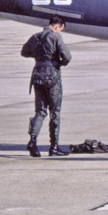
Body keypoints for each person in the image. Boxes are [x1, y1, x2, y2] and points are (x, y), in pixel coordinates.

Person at [21, 15, 72, 157]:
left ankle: (32, 141)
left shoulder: (35, 37)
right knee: (54, 113)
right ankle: (54, 147)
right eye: (60, 29)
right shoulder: (55, 37)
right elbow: (67, 57)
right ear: (57, 26)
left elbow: (24, 52)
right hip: (52, 76)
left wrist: (39, 57)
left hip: (37, 76)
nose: (59, 32)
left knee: (40, 112)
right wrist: (59, 63)